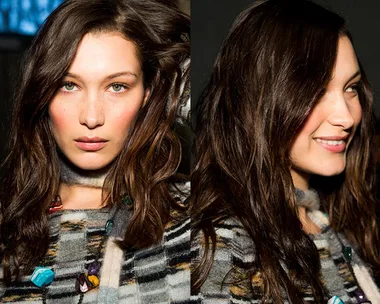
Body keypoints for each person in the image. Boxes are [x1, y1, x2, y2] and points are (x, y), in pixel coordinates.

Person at [0, 0, 190, 303]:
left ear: (148, 94)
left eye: (117, 86)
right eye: (68, 85)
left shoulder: (190, 219)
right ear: (41, 94)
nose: (91, 117)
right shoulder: (8, 222)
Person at [191, 0, 380, 303]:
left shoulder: (340, 224)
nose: (346, 117)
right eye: (317, 92)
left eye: (351, 87)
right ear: (258, 100)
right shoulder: (224, 250)